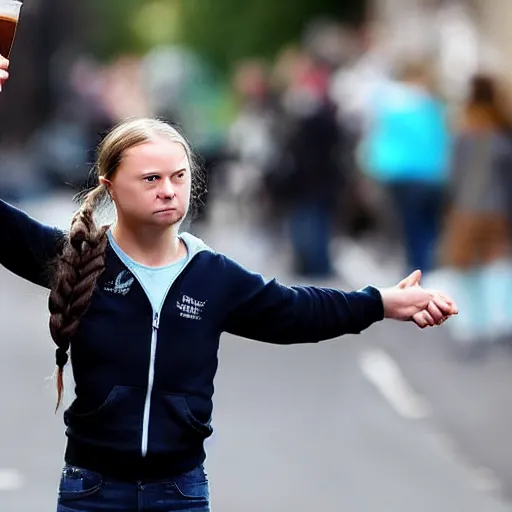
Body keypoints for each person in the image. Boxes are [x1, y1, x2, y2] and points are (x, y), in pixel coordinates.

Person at [0, 55, 457, 512]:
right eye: (151, 179)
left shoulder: (212, 275)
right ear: (111, 186)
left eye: (178, 177)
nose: (168, 190)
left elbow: (295, 311)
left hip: (178, 493)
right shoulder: (80, 261)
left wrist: (380, 301)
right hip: (92, 490)